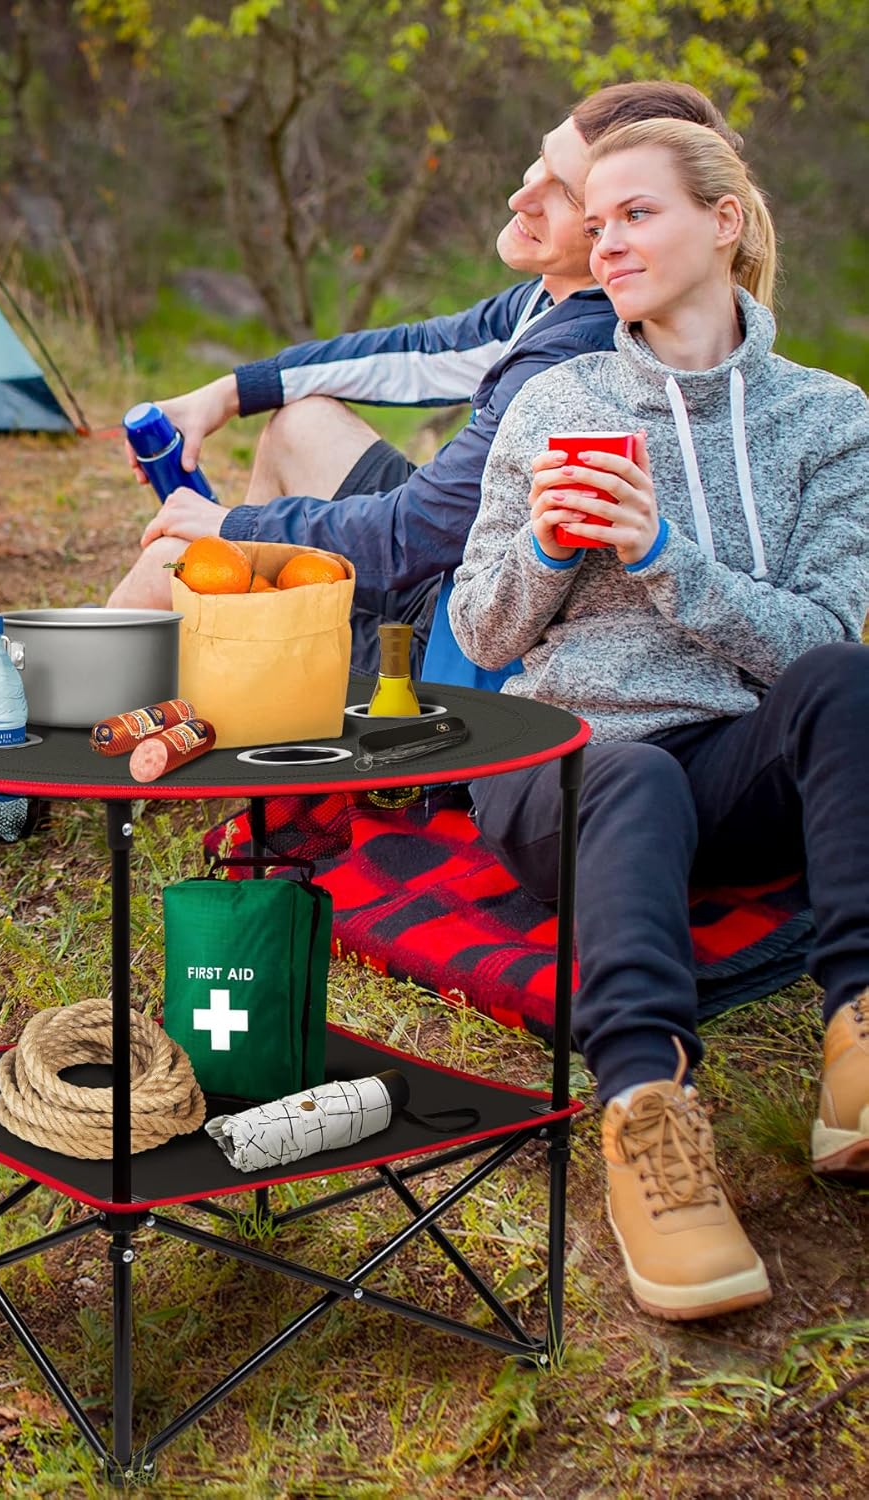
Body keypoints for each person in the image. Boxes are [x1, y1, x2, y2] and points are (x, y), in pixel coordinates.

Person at [447, 119, 869, 1322]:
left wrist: (664, 553)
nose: (605, 237)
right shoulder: (556, 399)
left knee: (851, 682)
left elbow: (819, 644)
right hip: (564, 766)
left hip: (729, 763)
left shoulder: (830, 420)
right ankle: (647, 1118)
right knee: (626, 772)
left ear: (722, 223)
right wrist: (547, 544)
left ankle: (859, 1036)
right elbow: (480, 638)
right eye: (599, 217)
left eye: (638, 212)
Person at [108, 83, 743, 688]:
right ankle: (237, 656)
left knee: (170, 571)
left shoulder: (578, 354)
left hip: (452, 654)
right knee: (301, 423)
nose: (522, 198)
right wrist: (227, 393)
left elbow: (411, 535)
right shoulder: (553, 301)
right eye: (541, 161)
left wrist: (234, 527)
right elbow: (418, 352)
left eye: (566, 196)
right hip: (443, 579)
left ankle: (29, 771)